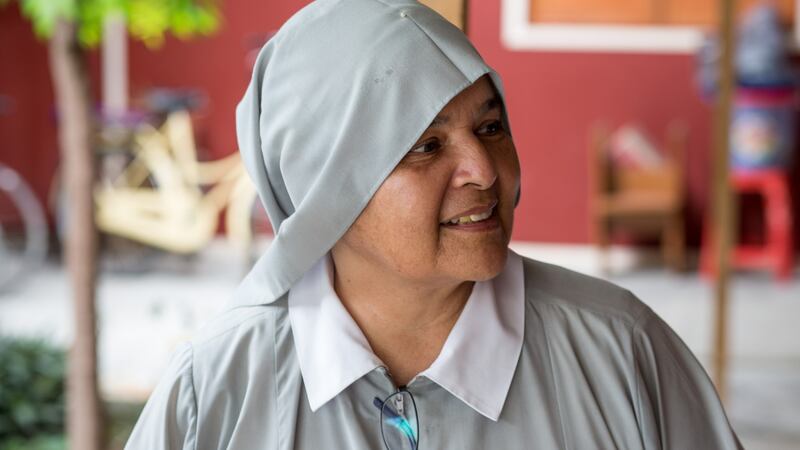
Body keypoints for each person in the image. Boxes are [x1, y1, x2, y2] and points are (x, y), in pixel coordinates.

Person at [125, 0, 743, 449]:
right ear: (325, 189)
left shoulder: (620, 353)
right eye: (425, 145)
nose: (484, 169)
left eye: (491, 127)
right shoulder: (215, 393)